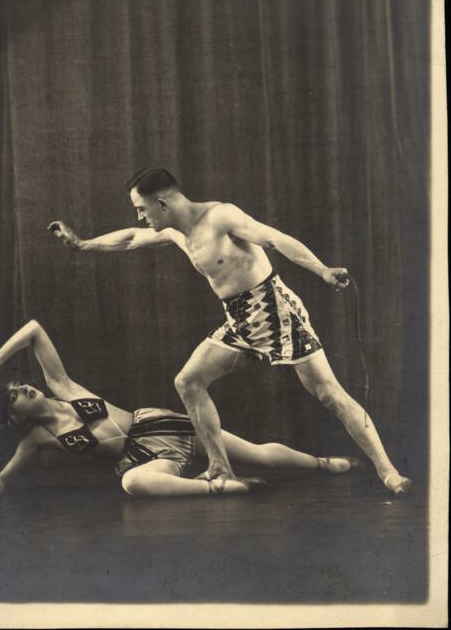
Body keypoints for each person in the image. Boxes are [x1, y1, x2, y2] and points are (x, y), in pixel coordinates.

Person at [48, 168, 411, 496]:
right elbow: (130, 238)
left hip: (274, 311)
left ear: (162, 203)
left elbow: (274, 238)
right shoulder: (176, 231)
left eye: (142, 209)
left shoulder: (221, 216)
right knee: (188, 382)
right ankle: (220, 468)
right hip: (238, 320)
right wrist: (83, 244)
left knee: (329, 394)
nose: (139, 217)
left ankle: (388, 472)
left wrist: (323, 270)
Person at [0, 320, 360, 500]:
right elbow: (8, 469)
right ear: (16, 416)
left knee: (257, 454)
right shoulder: (39, 437)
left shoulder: (62, 386)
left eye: (19, 384)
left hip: (159, 426)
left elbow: (35, 330)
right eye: (14, 395)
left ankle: (323, 464)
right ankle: (211, 488)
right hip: (141, 458)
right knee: (131, 484)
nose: (24, 387)